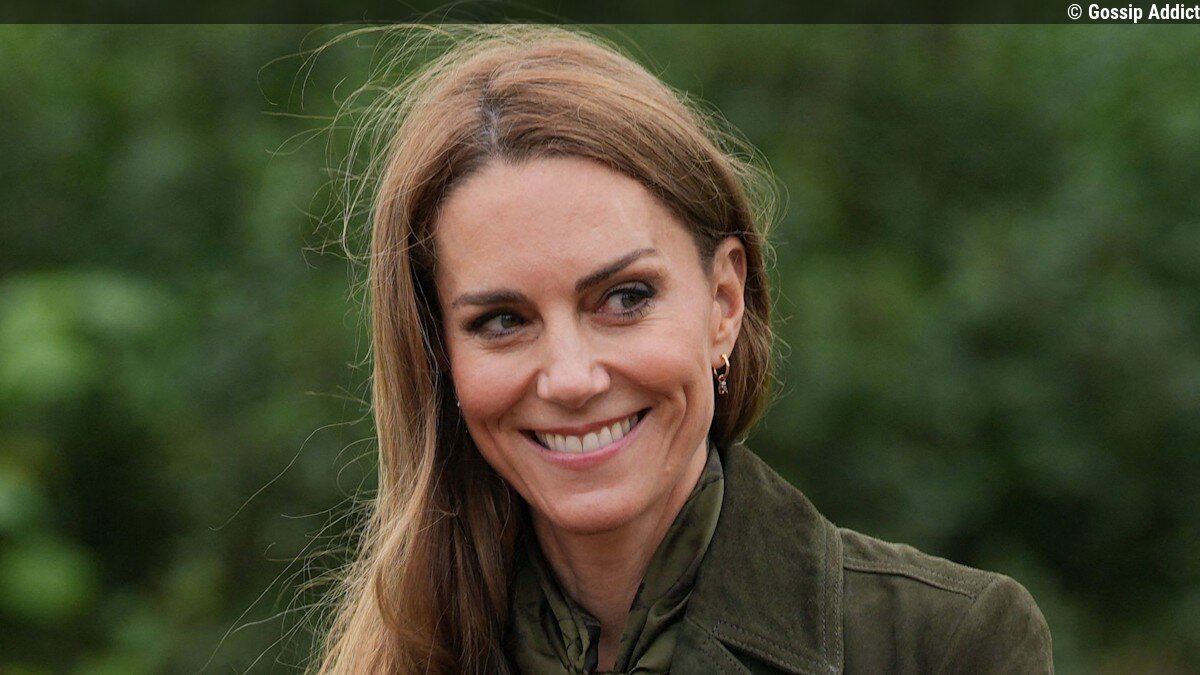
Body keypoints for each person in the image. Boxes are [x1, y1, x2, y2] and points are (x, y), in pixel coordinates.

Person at [313, 25, 1054, 674]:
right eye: (503, 320)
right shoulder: (400, 653)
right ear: (439, 355)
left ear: (724, 302)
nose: (571, 378)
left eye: (625, 298)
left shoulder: (942, 643)